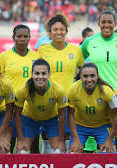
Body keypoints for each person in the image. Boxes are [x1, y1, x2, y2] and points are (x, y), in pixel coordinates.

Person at [37, 14, 84, 153]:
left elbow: (84, 70)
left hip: (69, 100)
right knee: (47, 136)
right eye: (55, 29)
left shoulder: (75, 50)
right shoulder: (42, 49)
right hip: (48, 99)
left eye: (61, 29)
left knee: (66, 136)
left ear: (66, 31)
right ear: (50, 33)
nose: (58, 32)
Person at [14, 58, 81, 154]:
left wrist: (61, 140)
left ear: (49, 74)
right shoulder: (23, 90)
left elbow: (62, 116)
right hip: (30, 120)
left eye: (43, 73)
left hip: (51, 120)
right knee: (22, 151)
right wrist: (20, 139)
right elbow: (17, 115)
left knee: (58, 151)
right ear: (32, 74)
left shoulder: (58, 90)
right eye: (37, 73)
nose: (40, 77)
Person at [0, 24, 39, 153]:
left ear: (30, 38)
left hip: (31, 108)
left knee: (32, 148)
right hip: (10, 107)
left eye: (25, 36)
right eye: (19, 36)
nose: (22, 39)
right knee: (8, 147)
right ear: (13, 38)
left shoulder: (36, 57)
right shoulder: (4, 57)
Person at [67, 62, 117, 153]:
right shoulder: (73, 90)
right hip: (80, 126)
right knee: (74, 153)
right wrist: (76, 139)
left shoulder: (107, 91)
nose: (89, 79)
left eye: (92, 76)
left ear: (97, 76)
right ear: (80, 77)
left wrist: (109, 139)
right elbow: (70, 115)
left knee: (108, 153)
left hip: (102, 126)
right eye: (85, 76)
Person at [81, 7, 117, 90]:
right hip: (96, 92)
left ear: (115, 24)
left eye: (110, 22)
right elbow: (79, 62)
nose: (106, 25)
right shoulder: (89, 41)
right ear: (98, 24)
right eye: (103, 22)